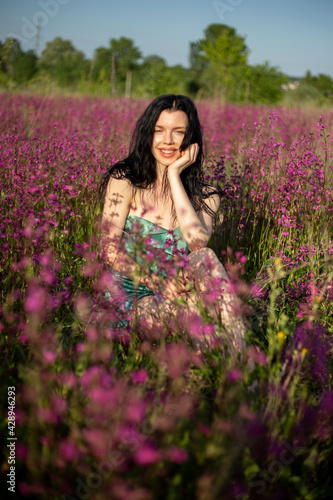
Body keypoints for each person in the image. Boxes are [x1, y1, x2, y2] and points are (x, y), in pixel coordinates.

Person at [99, 94, 245, 352]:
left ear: (191, 141)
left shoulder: (207, 196)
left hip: (176, 295)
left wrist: (174, 175)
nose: (167, 141)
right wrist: (156, 281)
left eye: (178, 132)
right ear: (147, 134)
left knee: (205, 257)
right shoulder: (125, 179)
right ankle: (234, 374)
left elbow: (197, 242)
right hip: (131, 299)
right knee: (203, 312)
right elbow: (108, 249)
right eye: (159, 131)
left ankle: (231, 372)